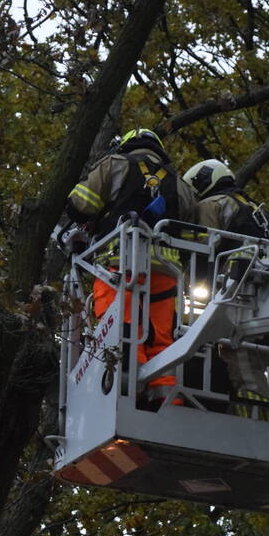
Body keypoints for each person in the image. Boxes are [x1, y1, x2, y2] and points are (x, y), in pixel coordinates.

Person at [64, 129, 197, 409]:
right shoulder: (182, 186)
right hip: (166, 274)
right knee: (163, 339)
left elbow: (80, 205)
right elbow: (193, 232)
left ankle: (126, 392)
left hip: (119, 268)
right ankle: (166, 401)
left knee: (122, 330)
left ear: (127, 145)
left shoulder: (115, 164)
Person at [181, 159, 269, 411]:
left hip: (236, 297)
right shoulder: (264, 214)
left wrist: (191, 287)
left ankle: (257, 422)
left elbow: (200, 255)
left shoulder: (211, 205)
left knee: (243, 368)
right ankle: (251, 415)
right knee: (252, 366)